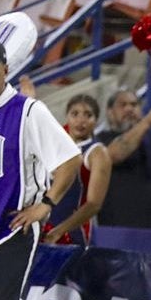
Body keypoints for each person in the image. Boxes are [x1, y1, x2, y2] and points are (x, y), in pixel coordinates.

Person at [0, 38, 80, 300]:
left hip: (13, 228)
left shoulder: (27, 111)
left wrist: (46, 203)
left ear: (3, 70)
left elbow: (68, 158)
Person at [95, 90, 151, 229]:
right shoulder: (100, 140)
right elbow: (114, 155)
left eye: (134, 104)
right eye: (123, 105)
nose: (129, 109)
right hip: (116, 227)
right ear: (110, 112)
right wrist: (147, 121)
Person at [44, 95, 111, 246]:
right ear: (67, 117)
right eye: (75, 114)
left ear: (96, 120)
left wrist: (59, 231)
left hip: (73, 233)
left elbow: (94, 203)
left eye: (88, 115)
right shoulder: (55, 147)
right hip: (44, 228)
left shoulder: (97, 152)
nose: (81, 120)